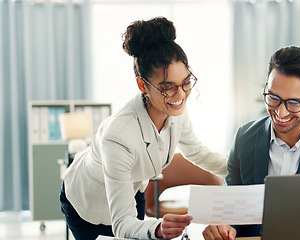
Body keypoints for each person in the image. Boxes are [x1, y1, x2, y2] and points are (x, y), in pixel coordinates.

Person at [59, 16, 227, 240]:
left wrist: (246, 171)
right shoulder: (117, 136)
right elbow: (121, 224)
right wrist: (157, 228)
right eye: (168, 88)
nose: (181, 96)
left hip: (131, 189)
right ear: (142, 85)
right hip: (88, 202)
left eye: (186, 83)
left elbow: (197, 152)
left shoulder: (175, 111)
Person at [202, 46, 300, 240]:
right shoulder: (244, 136)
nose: (281, 113)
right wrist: (224, 226)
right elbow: (232, 207)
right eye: (273, 98)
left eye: (294, 103)